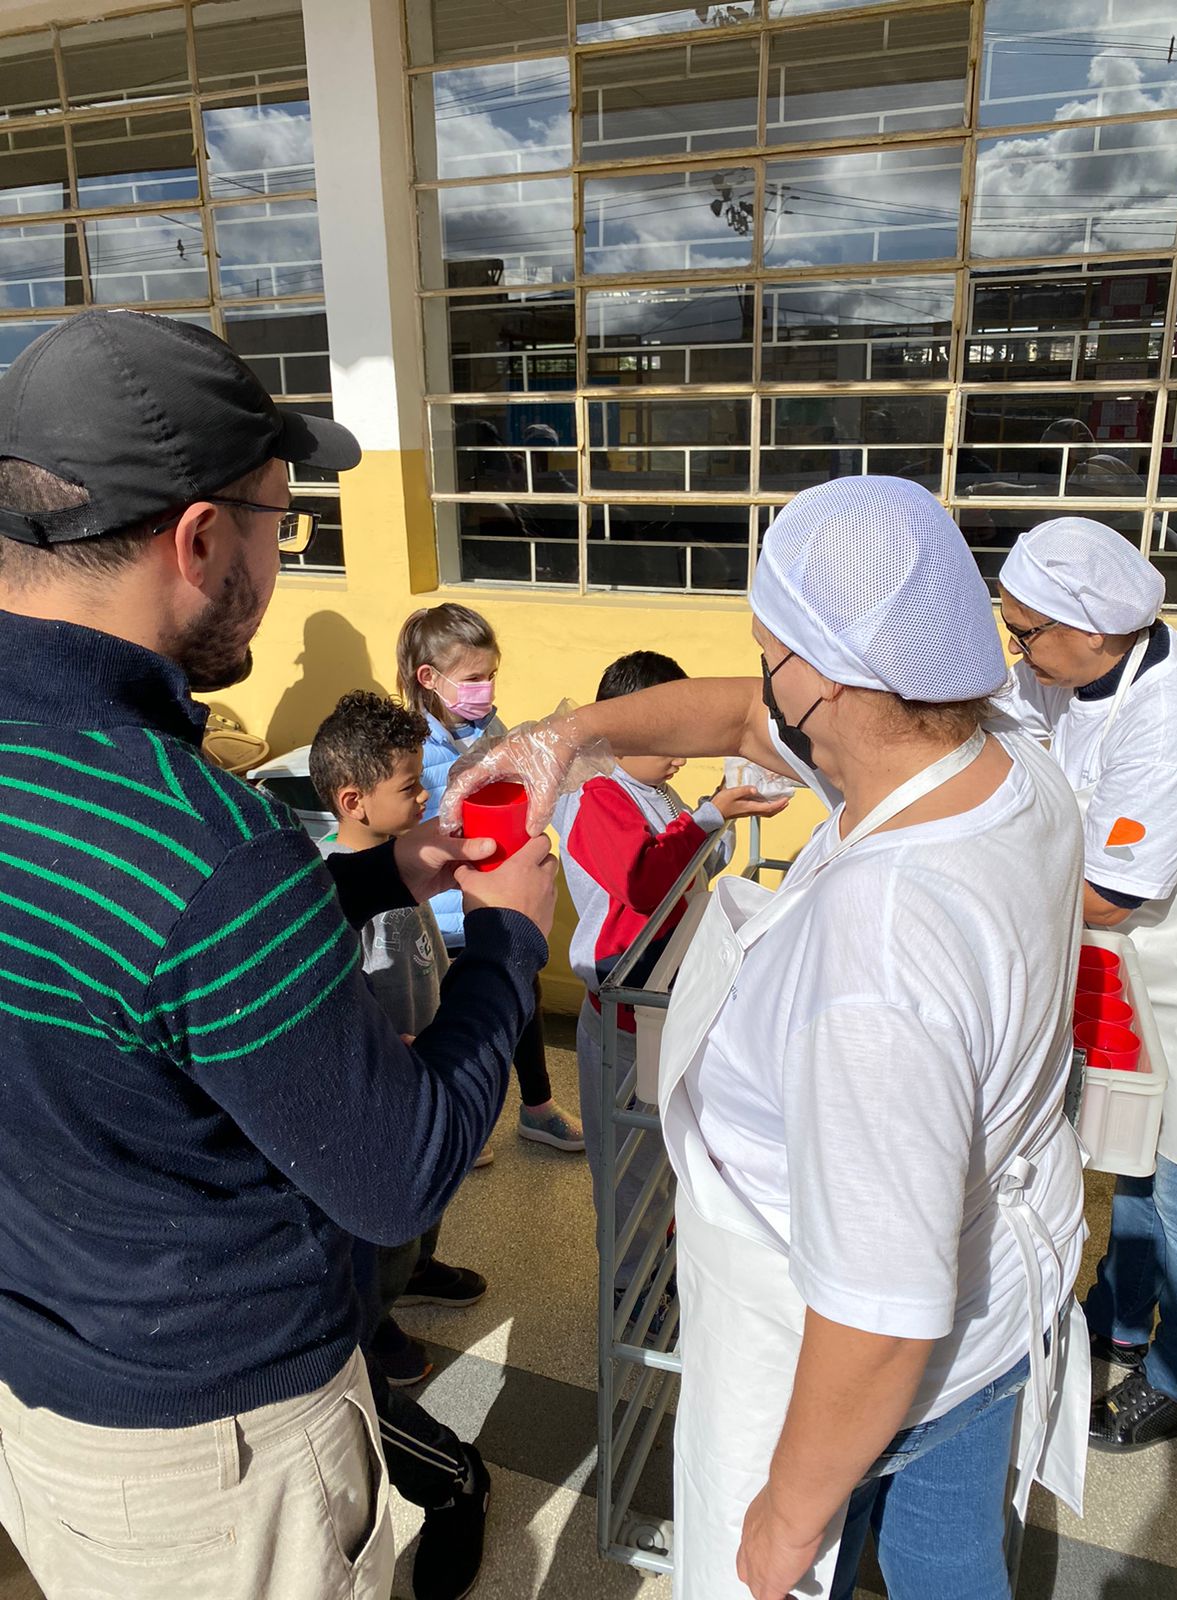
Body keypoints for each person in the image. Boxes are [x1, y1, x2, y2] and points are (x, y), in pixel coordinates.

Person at [444, 476, 1092, 1600]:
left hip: (838, 1365)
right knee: (955, 1563)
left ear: (831, 676)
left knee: (853, 1565)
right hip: (993, 1314)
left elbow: (878, 1321)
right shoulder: (1001, 759)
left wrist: (781, 1529)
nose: (762, 682)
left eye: (770, 648)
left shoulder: (884, 949)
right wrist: (569, 734)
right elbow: (746, 715)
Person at [0, 310, 557, 1600]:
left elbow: (118, 973)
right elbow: (397, 1175)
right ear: (201, 538)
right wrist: (514, 939)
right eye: (278, 521)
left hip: (52, 1392)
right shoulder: (203, 841)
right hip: (222, 1455)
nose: (279, 557)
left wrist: (362, 876)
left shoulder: (153, 834)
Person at [997, 517, 1177, 1452]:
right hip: (1129, 981)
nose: (1017, 649)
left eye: (1029, 632)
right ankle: (1116, 1317)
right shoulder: (1066, 669)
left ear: (1099, 631)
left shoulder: (1169, 716)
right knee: (1134, 1161)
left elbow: (1111, 899)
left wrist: (975, 879)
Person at [554, 650, 783, 1294]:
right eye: (671, 736)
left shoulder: (650, 786)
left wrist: (720, 818)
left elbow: (692, 873)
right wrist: (710, 816)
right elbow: (646, 880)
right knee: (628, 1165)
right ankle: (629, 1287)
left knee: (666, 1152)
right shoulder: (594, 793)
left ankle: (666, 1272)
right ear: (627, 728)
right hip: (626, 1011)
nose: (683, 750)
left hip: (664, 1003)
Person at [310, 691, 488, 1385]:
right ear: (354, 801)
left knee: (431, 1187)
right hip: (379, 1078)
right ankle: (374, 1318)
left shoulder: (401, 861)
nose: (423, 797)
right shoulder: (326, 892)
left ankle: (415, 1268)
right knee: (385, 1208)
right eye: (408, 786)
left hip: (421, 1062)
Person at [398, 602, 585, 1154]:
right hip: (443, 914)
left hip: (497, 897)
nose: (486, 688)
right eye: (474, 678)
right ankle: (456, 1119)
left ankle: (538, 1107)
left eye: (491, 675)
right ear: (429, 679)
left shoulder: (492, 728)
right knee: (451, 1019)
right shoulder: (411, 744)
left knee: (524, 999)